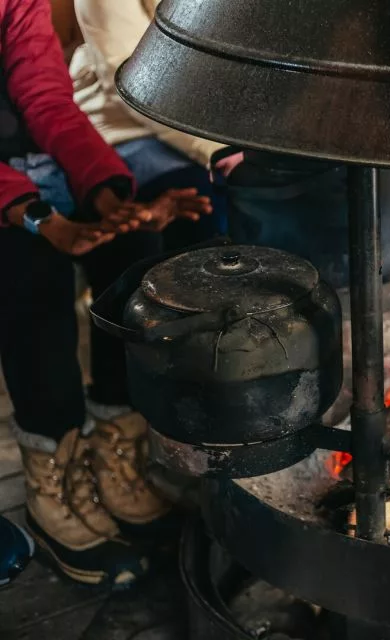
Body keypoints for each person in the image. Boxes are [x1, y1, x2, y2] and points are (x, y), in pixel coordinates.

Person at [0, 0, 209, 588]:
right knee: (31, 276)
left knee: (131, 250)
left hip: (29, 172)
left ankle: (116, 448)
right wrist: (37, 217)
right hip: (8, 195)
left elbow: (46, 98)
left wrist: (107, 194)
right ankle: (52, 481)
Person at [71, 0, 239, 249]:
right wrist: (218, 149)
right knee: (209, 205)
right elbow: (134, 80)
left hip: (218, 125)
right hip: (128, 127)